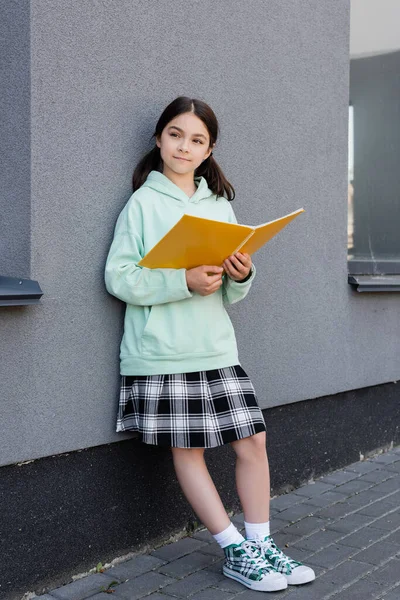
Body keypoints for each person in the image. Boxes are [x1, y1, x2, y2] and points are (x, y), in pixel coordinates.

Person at [104, 96, 315, 593]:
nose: (184, 145)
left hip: (216, 346)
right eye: (175, 134)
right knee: (190, 448)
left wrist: (241, 274)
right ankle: (235, 551)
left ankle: (262, 544)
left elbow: (230, 289)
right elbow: (118, 277)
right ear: (158, 139)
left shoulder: (219, 204)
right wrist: (182, 280)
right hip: (162, 350)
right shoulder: (142, 204)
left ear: (209, 150)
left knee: (254, 442)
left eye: (196, 139)